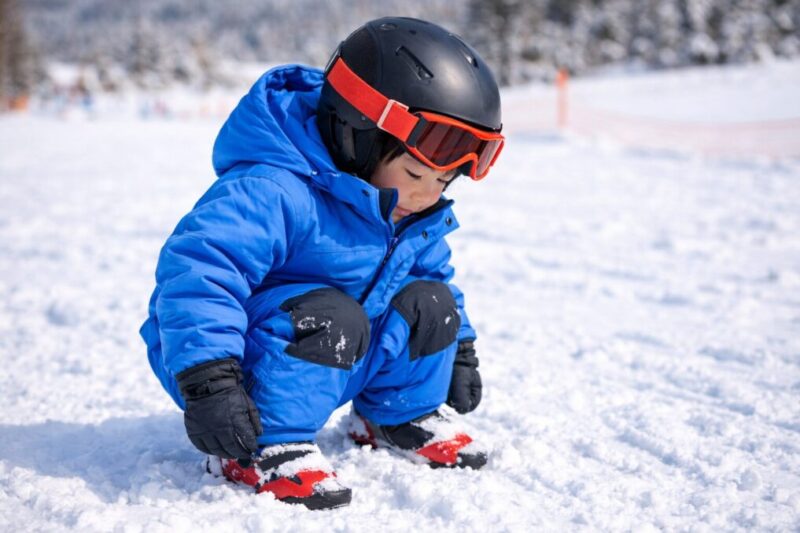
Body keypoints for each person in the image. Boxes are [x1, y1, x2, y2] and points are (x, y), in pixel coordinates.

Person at [140, 16, 504, 510]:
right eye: (417, 172)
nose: (426, 195)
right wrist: (209, 381)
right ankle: (262, 445)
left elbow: (433, 275)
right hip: (231, 371)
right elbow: (200, 273)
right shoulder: (272, 189)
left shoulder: (404, 210)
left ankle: (397, 415)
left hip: (333, 353)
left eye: (443, 183)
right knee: (333, 313)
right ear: (358, 135)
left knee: (429, 301)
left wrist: (457, 347)